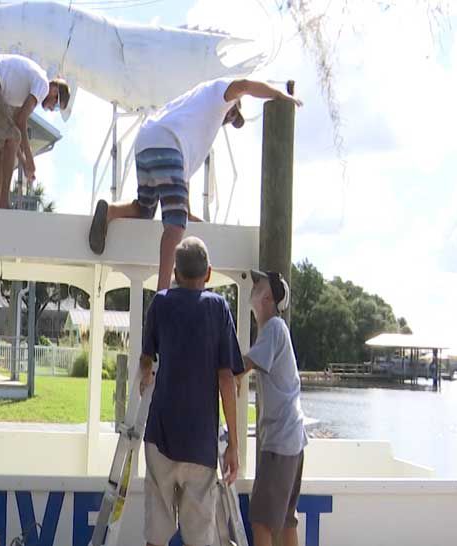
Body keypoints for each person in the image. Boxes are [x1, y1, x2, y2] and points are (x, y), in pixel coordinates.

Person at [88, 78, 301, 290]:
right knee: (175, 223)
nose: (229, 119)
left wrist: (190, 215)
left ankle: (110, 211)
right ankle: (163, 292)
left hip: (146, 142)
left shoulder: (192, 114)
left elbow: (182, 181)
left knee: (145, 208)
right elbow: (244, 85)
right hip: (168, 145)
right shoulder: (219, 93)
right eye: (233, 113)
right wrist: (279, 95)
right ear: (233, 103)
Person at [139, 236, 244, 546]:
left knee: (156, 535)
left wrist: (145, 374)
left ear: (175, 272)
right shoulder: (218, 308)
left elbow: (146, 358)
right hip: (200, 443)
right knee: (200, 538)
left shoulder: (160, 303)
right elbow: (227, 378)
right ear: (208, 273)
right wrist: (234, 444)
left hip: (160, 435)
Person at [241, 270, 307, 546]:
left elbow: (242, 365)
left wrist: (211, 367)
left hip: (280, 441)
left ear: (268, 298)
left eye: (260, 284)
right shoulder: (275, 330)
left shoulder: (273, 328)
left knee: (261, 521)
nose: (254, 286)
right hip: (292, 438)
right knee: (286, 520)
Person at [0, 54, 70, 208]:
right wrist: (30, 159)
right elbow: (21, 122)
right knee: (13, 137)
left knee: (3, 146)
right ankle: (3, 203)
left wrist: (24, 163)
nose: (50, 109)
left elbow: (16, 126)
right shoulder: (43, 85)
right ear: (55, 91)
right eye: (55, 106)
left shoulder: (22, 93)